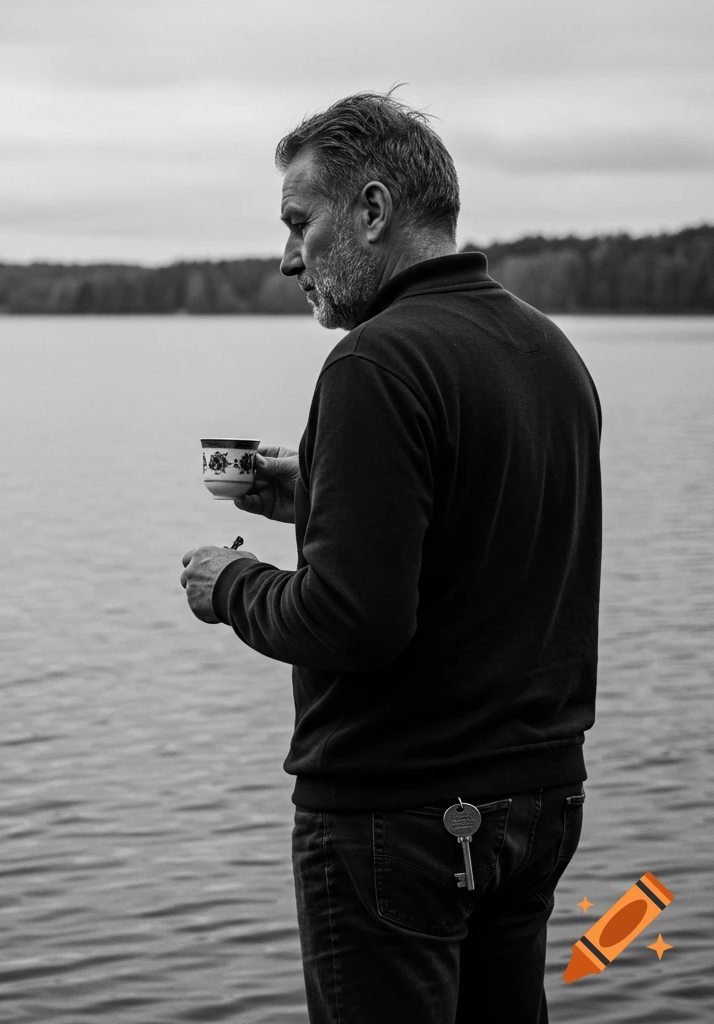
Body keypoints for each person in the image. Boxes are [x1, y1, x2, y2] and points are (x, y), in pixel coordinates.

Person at [179, 90, 603, 1023]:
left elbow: (354, 622)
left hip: (397, 822)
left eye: (300, 222)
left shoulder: (375, 363)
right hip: (535, 805)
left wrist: (232, 585)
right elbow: (484, 542)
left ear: (371, 212)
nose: (288, 257)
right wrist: (322, 501)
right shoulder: (551, 354)